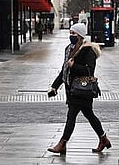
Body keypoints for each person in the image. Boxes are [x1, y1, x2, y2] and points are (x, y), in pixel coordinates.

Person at [47, 23, 111, 155]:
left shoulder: (88, 50)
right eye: (70, 33)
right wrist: (55, 86)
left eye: (73, 34)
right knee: (89, 115)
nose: (71, 36)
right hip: (72, 89)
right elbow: (64, 70)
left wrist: (74, 65)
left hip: (82, 90)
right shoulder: (69, 49)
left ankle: (62, 143)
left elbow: (89, 71)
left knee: (71, 116)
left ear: (80, 36)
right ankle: (103, 138)